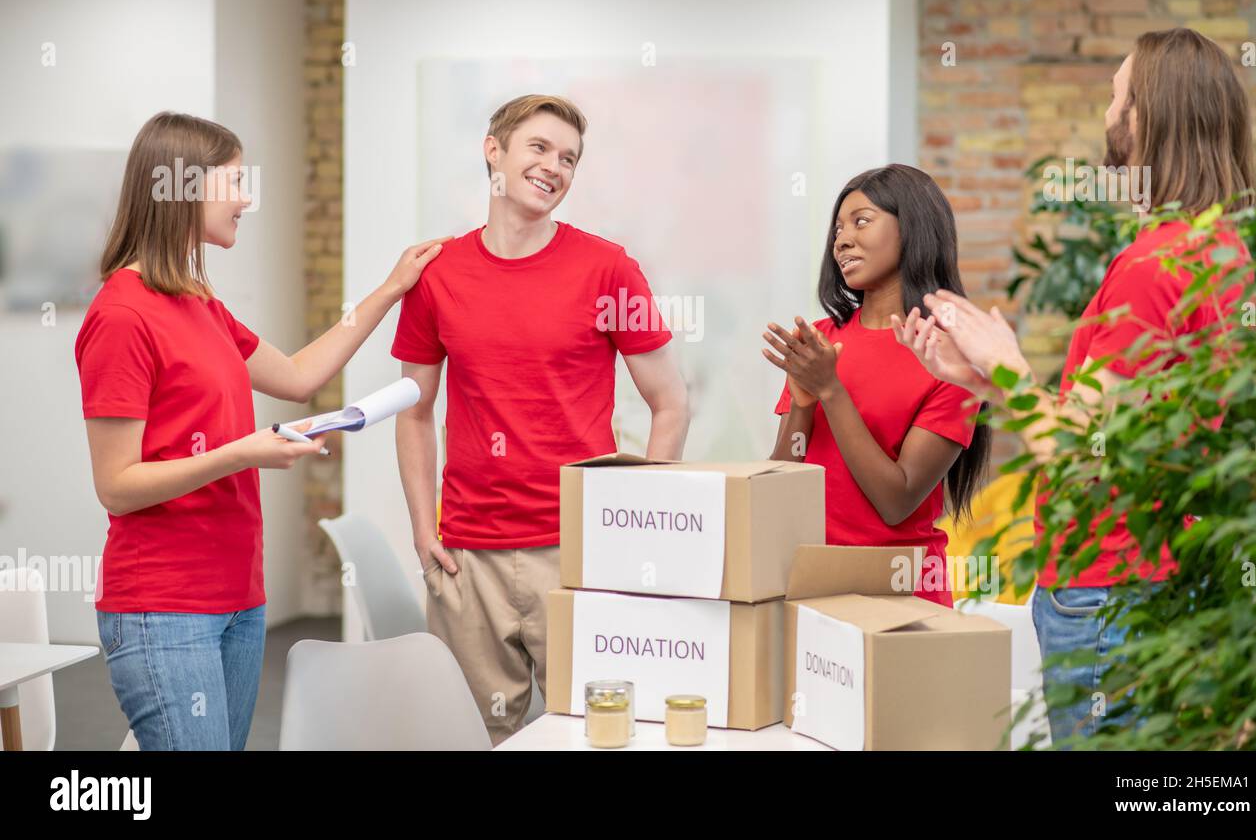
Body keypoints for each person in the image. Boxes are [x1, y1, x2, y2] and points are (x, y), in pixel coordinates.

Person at [893, 28, 1255, 744]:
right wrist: (984, 382)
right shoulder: (1220, 249)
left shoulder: (1152, 268)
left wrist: (1009, 367)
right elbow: (1128, 435)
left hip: (1109, 592)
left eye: (1118, 95)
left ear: (1150, 116)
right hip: (1163, 583)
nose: (1107, 114)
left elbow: (1088, 459)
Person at [76, 111, 443, 750]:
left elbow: (300, 375)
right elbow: (116, 485)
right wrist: (240, 452)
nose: (247, 198)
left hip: (238, 595)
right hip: (163, 606)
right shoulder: (121, 315)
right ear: (183, 187)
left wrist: (387, 292)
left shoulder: (198, 301)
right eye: (236, 181)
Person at [392, 94, 690, 745]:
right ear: (493, 150)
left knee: (597, 737)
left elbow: (671, 401)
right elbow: (412, 414)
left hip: (581, 554)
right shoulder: (436, 274)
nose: (554, 166)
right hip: (467, 557)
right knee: (477, 737)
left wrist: (636, 526)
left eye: (569, 158)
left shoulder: (609, 269)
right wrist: (422, 526)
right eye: (539, 147)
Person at [764, 163, 990, 607]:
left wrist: (831, 392)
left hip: (901, 597)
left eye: (861, 221)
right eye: (837, 230)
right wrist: (804, 405)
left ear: (913, 229)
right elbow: (779, 485)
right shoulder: (821, 341)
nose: (842, 240)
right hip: (813, 585)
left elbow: (896, 500)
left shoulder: (952, 358)